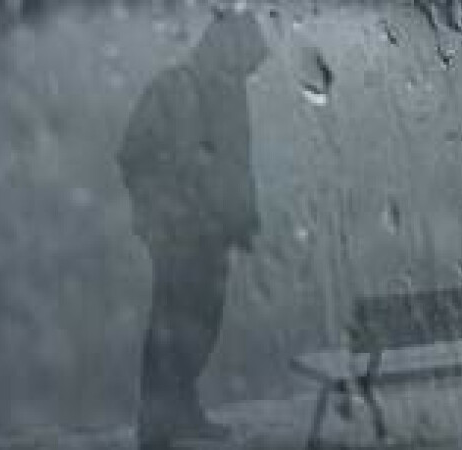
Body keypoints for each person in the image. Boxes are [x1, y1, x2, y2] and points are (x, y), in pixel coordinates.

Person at [116, 7, 269, 449]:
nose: (248, 70)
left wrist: (243, 219)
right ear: (225, 46)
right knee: (171, 324)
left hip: (214, 232)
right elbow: (132, 153)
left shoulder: (230, 92)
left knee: (203, 324)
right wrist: (166, 208)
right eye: (245, 58)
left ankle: (182, 412)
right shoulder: (175, 86)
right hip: (178, 234)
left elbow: (234, 165)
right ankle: (156, 423)